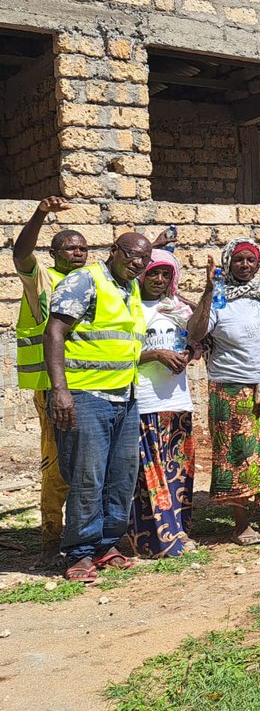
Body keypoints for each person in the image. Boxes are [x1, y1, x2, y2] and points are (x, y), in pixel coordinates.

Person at [43, 232, 150, 582]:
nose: (138, 263)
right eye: (133, 255)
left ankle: (107, 545)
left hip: (124, 396)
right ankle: (80, 552)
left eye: (144, 259)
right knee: (87, 477)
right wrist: (60, 391)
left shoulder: (129, 287)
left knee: (121, 476)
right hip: (85, 396)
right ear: (114, 251)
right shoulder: (85, 280)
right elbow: (54, 332)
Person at [187, 239, 260, 544]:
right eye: (239, 260)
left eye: (251, 260)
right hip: (233, 388)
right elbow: (196, 333)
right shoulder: (220, 297)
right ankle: (240, 524)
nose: (245, 265)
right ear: (228, 263)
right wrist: (209, 293)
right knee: (238, 455)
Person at [12, 196, 87, 566]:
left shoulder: (91, 284)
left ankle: (85, 536)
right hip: (51, 387)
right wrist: (40, 214)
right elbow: (21, 255)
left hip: (88, 386)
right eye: (70, 248)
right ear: (55, 253)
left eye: (83, 248)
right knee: (57, 464)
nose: (78, 253)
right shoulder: (43, 279)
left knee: (86, 463)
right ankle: (50, 540)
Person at [128, 250, 196, 557]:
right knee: (150, 474)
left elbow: (195, 340)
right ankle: (155, 540)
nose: (159, 280)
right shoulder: (129, 307)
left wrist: (187, 354)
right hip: (145, 399)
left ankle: (179, 530)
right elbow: (119, 352)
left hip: (178, 400)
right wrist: (155, 355)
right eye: (153, 273)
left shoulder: (179, 308)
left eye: (166, 274)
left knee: (178, 471)